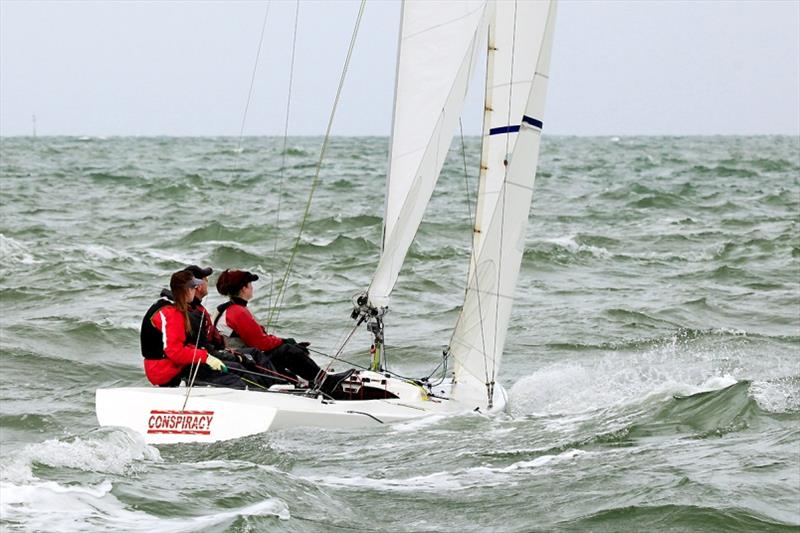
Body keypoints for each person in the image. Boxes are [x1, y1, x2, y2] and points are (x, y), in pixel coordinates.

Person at [214, 269, 354, 394]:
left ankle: (313, 382)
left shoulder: (229, 309)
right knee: (288, 351)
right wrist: (285, 342)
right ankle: (326, 382)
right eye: (250, 284)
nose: (252, 287)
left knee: (288, 350)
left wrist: (283, 342)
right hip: (246, 361)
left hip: (247, 357)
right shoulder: (237, 312)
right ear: (244, 288)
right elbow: (260, 343)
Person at [140, 270, 246, 389]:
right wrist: (205, 357)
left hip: (171, 366)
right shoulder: (171, 313)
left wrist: (206, 356)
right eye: (194, 287)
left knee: (235, 370)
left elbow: (180, 346)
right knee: (233, 381)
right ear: (187, 290)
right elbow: (175, 352)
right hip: (166, 372)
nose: (195, 290)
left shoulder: (170, 305)